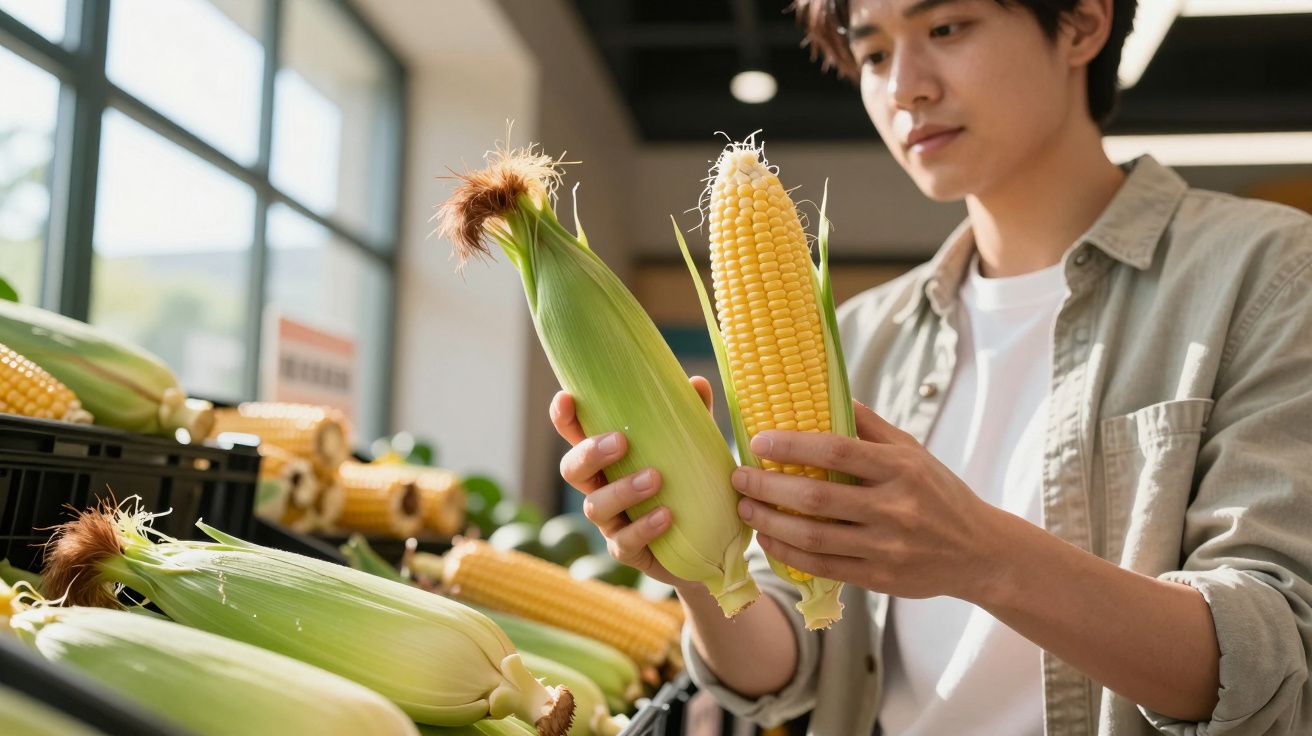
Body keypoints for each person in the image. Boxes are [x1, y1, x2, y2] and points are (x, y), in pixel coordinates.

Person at [550, 0, 1312, 733]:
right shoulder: (860, 336)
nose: (903, 85)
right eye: (873, 51)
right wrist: (693, 565)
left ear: (1082, 21)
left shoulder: (1270, 276)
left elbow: (1270, 661)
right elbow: (789, 668)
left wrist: (979, 554)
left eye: (945, 26)